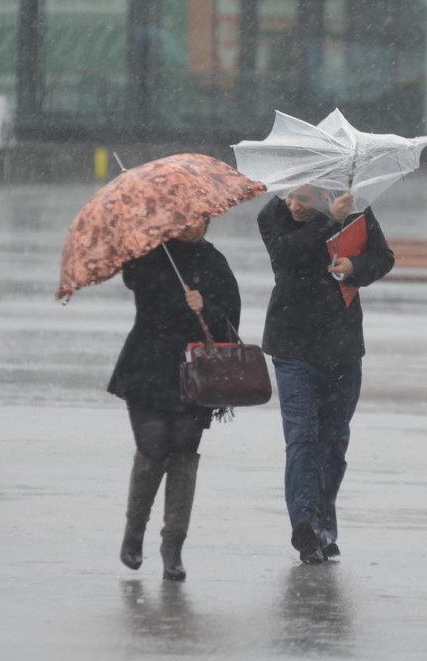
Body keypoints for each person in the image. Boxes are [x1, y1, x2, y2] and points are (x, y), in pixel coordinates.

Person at [258, 186, 394, 564]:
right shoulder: (272, 215)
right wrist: (329, 218)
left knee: (333, 443)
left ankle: (322, 527)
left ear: (321, 190)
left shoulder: (356, 210)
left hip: (342, 345)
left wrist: (356, 268)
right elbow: (289, 255)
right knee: (302, 437)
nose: (293, 205)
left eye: (303, 198)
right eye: (290, 197)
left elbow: (383, 257)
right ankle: (303, 523)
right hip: (292, 345)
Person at [110, 220, 241, 582]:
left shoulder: (213, 261)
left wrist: (205, 306)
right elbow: (134, 280)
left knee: (183, 454)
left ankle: (173, 546)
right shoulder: (149, 254)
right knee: (153, 448)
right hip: (146, 365)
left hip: (194, 372)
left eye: (201, 219)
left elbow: (230, 322)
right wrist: (145, 242)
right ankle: (134, 532)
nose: (193, 226)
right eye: (186, 219)